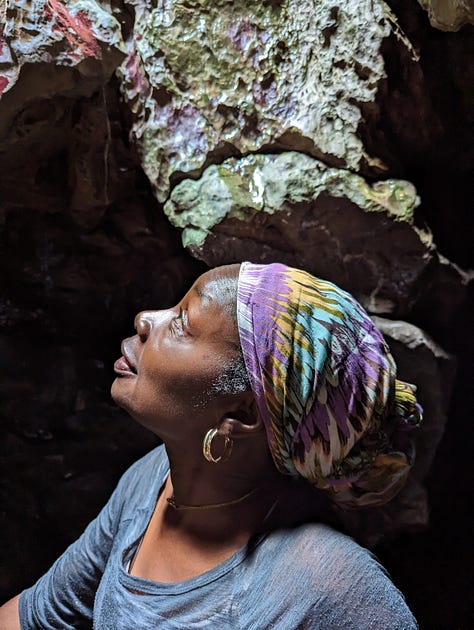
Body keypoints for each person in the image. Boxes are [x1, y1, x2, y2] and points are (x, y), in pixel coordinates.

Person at [0, 262, 421, 629]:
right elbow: (41, 614)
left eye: (181, 322)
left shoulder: (329, 585)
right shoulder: (153, 481)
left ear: (240, 415)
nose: (146, 319)